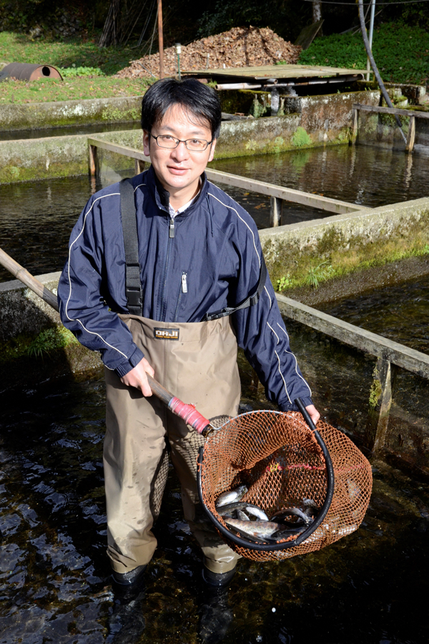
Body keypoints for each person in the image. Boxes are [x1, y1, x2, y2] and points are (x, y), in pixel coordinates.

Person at [58, 78, 320, 590]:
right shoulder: (106, 211)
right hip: (132, 374)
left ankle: (219, 577)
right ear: (146, 140)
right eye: (167, 137)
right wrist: (122, 353)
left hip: (208, 378)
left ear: (212, 146)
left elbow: (260, 322)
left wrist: (293, 397)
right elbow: (77, 299)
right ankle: (128, 583)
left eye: (195, 139)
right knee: (128, 488)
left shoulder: (234, 226)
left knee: (217, 489)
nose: (181, 153)